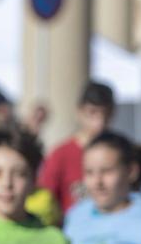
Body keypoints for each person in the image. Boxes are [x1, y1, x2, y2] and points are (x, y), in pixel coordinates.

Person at [39, 81, 115, 211]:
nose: (99, 122)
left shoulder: (120, 152)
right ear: (79, 112)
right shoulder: (60, 155)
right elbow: (46, 199)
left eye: (105, 114)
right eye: (92, 112)